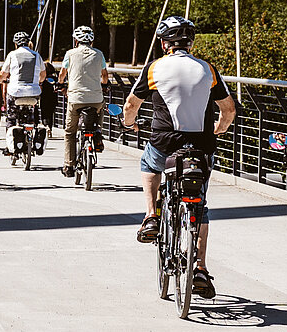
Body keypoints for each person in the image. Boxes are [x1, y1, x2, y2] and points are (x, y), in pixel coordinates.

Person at [121, 15, 235, 297]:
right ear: (190, 43)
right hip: (201, 149)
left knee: (148, 162)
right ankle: (200, 267)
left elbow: (131, 105)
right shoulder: (208, 70)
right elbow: (229, 109)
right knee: (200, 206)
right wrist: (219, 129)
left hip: (165, 144)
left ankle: (150, 216)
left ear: (163, 43)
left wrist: (127, 122)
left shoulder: (155, 68)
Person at [60, 25, 107, 175]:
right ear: (91, 41)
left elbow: (62, 74)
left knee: (70, 132)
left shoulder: (70, 54)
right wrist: (104, 86)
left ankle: (69, 165)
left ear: (76, 40)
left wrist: (61, 84)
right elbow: (104, 76)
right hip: (95, 98)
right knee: (100, 108)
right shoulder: (99, 54)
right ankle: (98, 133)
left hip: (75, 98)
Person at [0, 31, 46, 156]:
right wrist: (37, 81)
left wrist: (0, 80)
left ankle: (10, 146)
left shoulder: (12, 55)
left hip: (16, 92)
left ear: (15, 43)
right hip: (34, 92)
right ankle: (33, 136)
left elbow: (3, 74)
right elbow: (43, 75)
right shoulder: (36, 55)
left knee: (11, 117)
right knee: (31, 116)